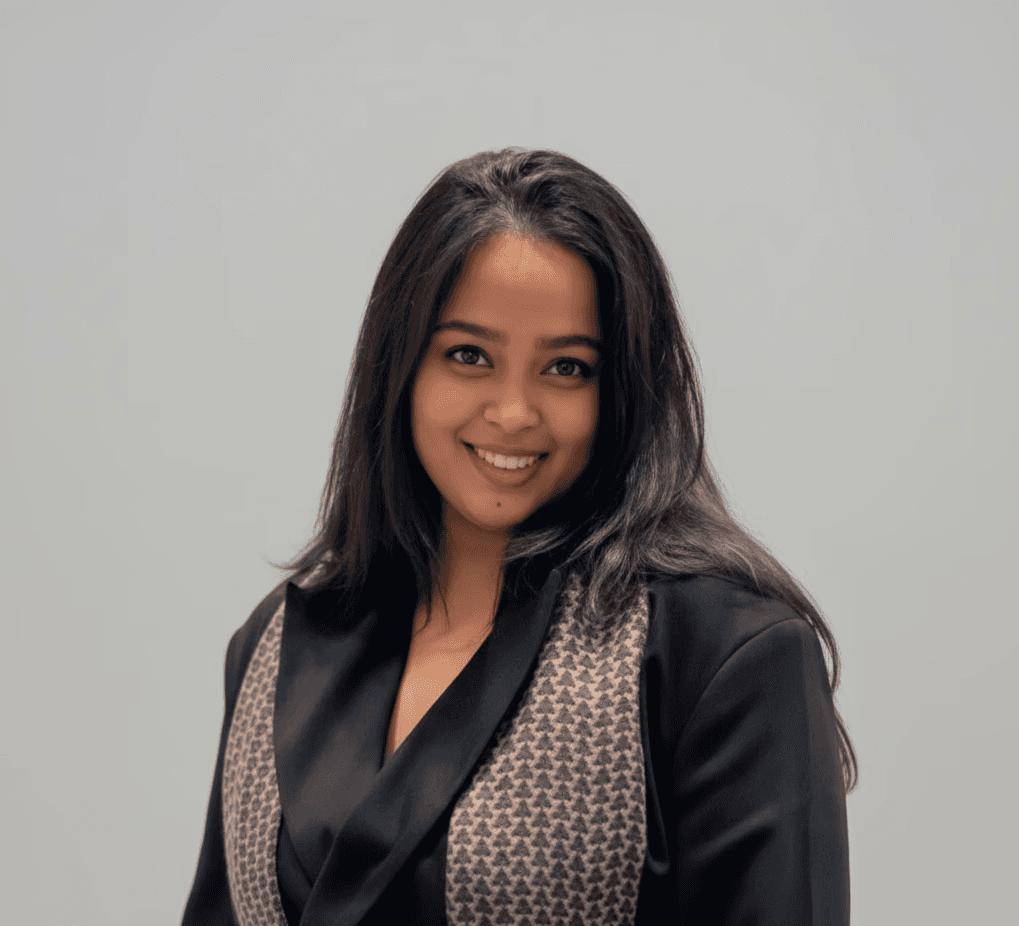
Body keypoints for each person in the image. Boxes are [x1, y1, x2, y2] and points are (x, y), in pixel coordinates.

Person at [181, 148, 856, 926]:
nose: (512, 412)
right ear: (399, 367)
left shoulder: (723, 659)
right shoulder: (275, 643)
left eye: (566, 368)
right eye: (469, 355)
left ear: (623, 392)